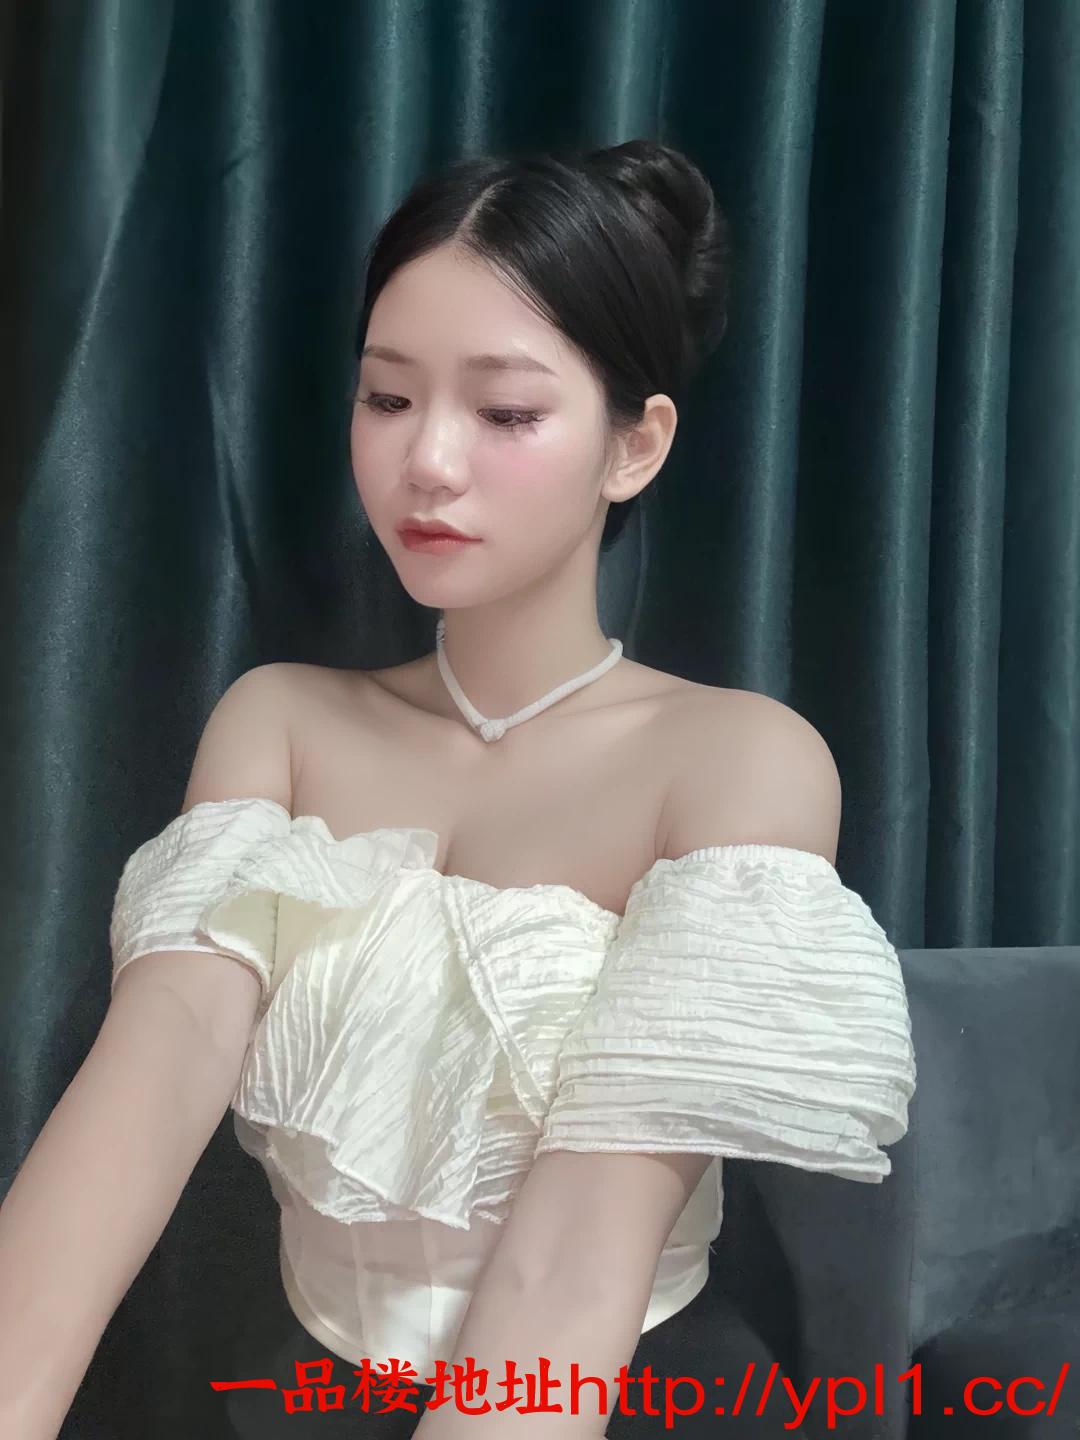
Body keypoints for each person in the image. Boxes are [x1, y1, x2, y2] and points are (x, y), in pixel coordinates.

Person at [0, 139, 916, 1438]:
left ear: (634, 444)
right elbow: (148, 1085)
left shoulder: (739, 760)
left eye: (506, 412)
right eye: (389, 397)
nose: (427, 461)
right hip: (308, 1390)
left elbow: (579, 1254)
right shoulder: (282, 723)